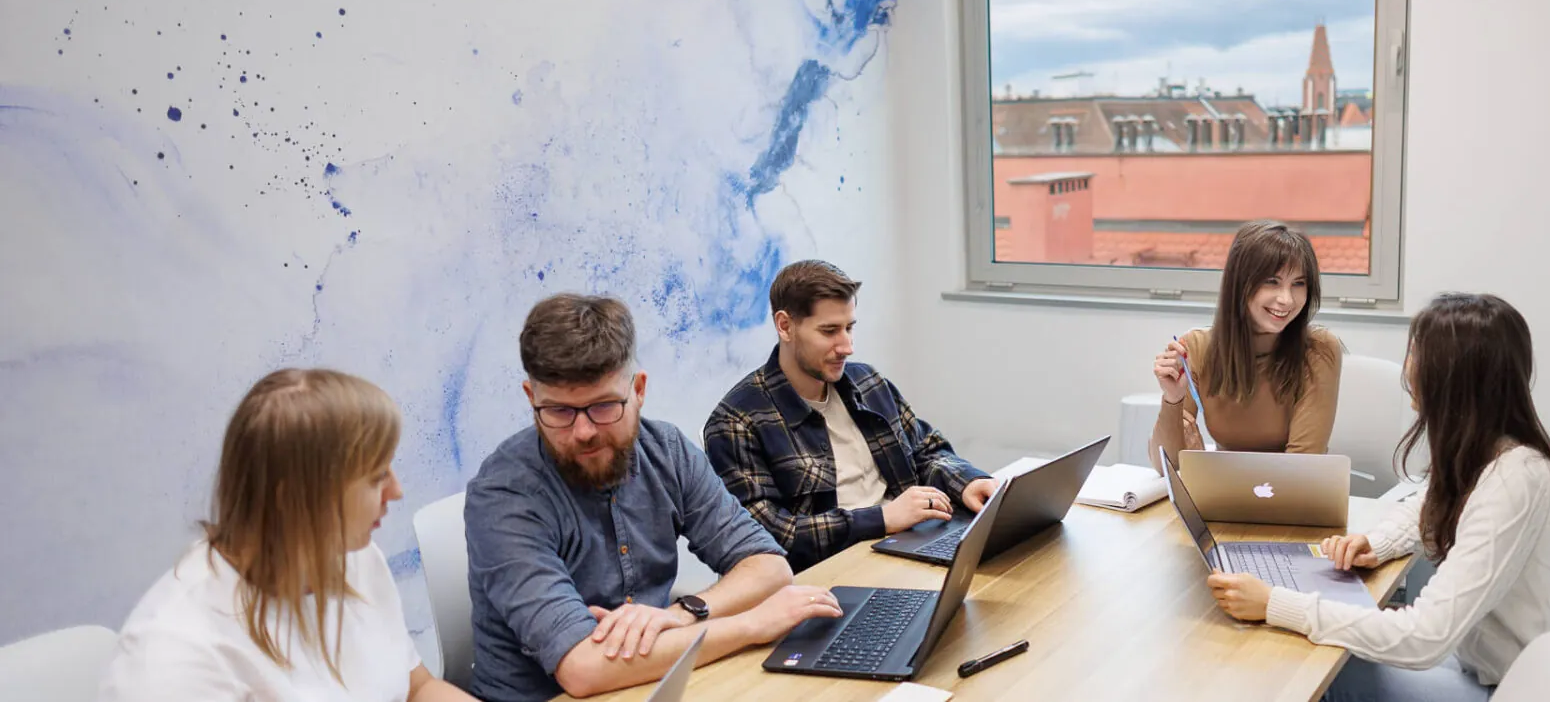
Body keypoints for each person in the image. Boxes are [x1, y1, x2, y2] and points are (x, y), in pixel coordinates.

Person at [1204, 293, 1550, 701]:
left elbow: (1424, 639)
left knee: (1324, 671)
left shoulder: (1517, 482)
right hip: (1499, 664)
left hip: (1542, 688)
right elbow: (1428, 505)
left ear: (1453, 379)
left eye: (1419, 354)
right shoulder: (1494, 453)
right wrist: (1377, 543)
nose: (1409, 367)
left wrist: (1275, 603)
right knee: (1336, 647)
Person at [465, 294, 843, 702]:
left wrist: (681, 615)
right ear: (530, 397)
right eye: (558, 411)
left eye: (603, 406)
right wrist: (752, 624)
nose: (583, 432)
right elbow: (582, 669)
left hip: (656, 683)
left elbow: (768, 567)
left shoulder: (666, 449)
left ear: (639, 389)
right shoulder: (504, 494)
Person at [99, 369, 475, 701]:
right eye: (377, 477)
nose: (397, 491)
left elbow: (416, 688)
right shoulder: (177, 656)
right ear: (295, 499)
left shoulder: (353, 557)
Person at [705, 260, 997, 572]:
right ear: (785, 325)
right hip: (831, 572)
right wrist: (882, 518)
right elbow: (770, 536)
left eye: (849, 327)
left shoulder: (867, 382)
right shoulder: (736, 422)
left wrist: (968, 483)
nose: (847, 347)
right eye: (829, 331)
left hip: (909, 543)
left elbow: (925, 450)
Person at [1149, 220, 1343, 474]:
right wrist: (1172, 399)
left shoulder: (1319, 350)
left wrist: (1209, 470)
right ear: (1240, 285)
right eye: (1272, 281)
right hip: (1221, 497)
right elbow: (1167, 467)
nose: (1286, 299)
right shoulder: (1196, 347)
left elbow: (1300, 470)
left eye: (1298, 283)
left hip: (1287, 503)